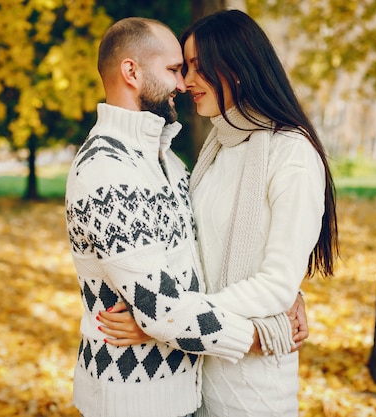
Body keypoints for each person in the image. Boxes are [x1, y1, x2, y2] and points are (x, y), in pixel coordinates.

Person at [64, 16, 307, 417]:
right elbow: (160, 310)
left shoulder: (169, 162)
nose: (183, 83)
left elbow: (202, 257)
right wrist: (263, 335)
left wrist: (286, 291)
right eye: (175, 70)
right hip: (132, 399)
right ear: (131, 72)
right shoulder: (107, 169)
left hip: (182, 392)